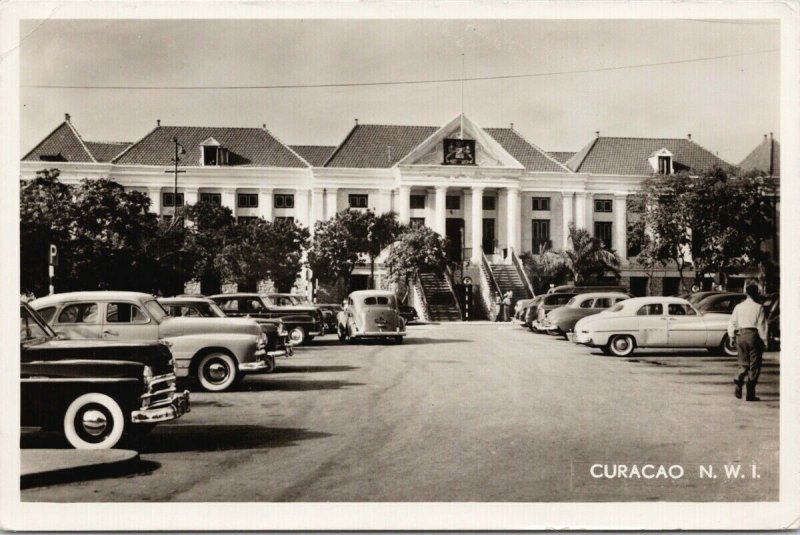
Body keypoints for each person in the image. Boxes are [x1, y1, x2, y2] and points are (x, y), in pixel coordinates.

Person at [728, 282, 768, 401]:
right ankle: (750, 394)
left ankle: (738, 380)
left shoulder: (738, 307)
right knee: (754, 365)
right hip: (753, 336)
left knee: (743, 363)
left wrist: (731, 337)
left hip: (740, 335)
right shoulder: (759, 307)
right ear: (756, 293)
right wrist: (765, 341)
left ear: (746, 293)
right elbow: (761, 326)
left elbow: (732, 322)